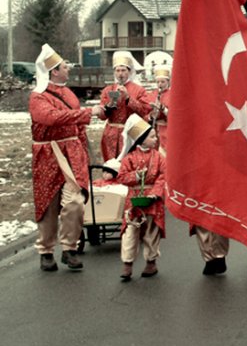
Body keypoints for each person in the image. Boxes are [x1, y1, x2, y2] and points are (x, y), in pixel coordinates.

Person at [29, 44, 104, 271]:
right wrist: (88, 112)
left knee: (74, 202)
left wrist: (85, 152)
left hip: (72, 154)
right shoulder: (37, 97)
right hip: (47, 153)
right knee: (48, 203)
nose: (68, 68)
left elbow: (77, 126)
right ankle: (46, 250)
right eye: (64, 66)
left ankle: (69, 247)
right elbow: (51, 118)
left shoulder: (69, 93)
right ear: (53, 71)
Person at [115, 114, 166, 281]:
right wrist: (136, 177)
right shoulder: (129, 158)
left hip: (153, 199)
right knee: (130, 231)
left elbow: (164, 176)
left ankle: (151, 262)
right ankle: (127, 264)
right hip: (134, 199)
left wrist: (156, 193)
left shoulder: (159, 157)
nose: (156, 138)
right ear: (141, 139)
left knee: (151, 231)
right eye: (152, 136)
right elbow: (121, 177)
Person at [97, 51, 150, 161]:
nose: (120, 74)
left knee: (128, 164)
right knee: (111, 165)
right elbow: (101, 116)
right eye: (118, 70)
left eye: (123, 70)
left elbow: (144, 111)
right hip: (110, 135)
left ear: (129, 72)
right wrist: (109, 105)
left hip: (131, 132)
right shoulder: (108, 90)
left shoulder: (139, 90)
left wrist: (128, 98)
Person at [145, 65, 171, 155]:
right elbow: (145, 111)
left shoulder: (172, 95)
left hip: (167, 129)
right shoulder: (153, 93)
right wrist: (151, 115)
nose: (160, 84)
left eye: (163, 82)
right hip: (154, 128)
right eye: (158, 82)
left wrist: (163, 108)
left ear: (168, 82)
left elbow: (174, 115)